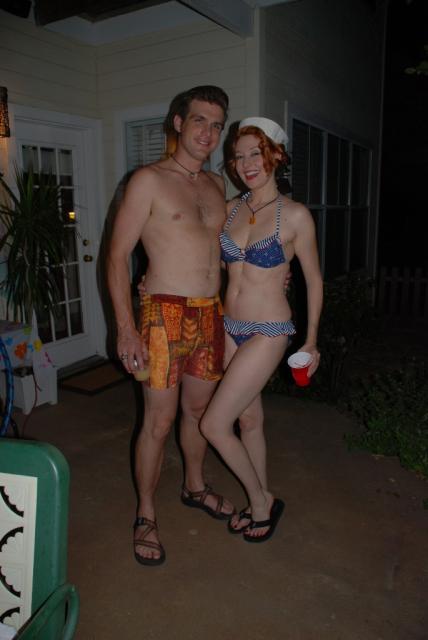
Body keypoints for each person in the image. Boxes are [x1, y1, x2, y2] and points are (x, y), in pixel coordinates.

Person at [107, 86, 235, 566]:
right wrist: (125, 328)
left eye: (217, 125)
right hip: (163, 315)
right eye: (200, 120)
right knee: (158, 422)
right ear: (178, 123)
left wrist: (272, 271)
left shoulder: (217, 185)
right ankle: (145, 512)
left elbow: (226, 250)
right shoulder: (148, 180)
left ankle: (194, 486)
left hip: (210, 313)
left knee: (198, 412)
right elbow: (116, 256)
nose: (208, 133)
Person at [199, 117, 323, 542]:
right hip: (230, 325)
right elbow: (206, 259)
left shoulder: (295, 216)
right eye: (239, 156)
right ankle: (264, 493)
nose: (247, 163)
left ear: (274, 155)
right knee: (248, 420)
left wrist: (311, 340)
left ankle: (259, 502)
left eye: (256, 153)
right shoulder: (231, 209)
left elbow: (314, 280)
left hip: (269, 330)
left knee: (214, 425)